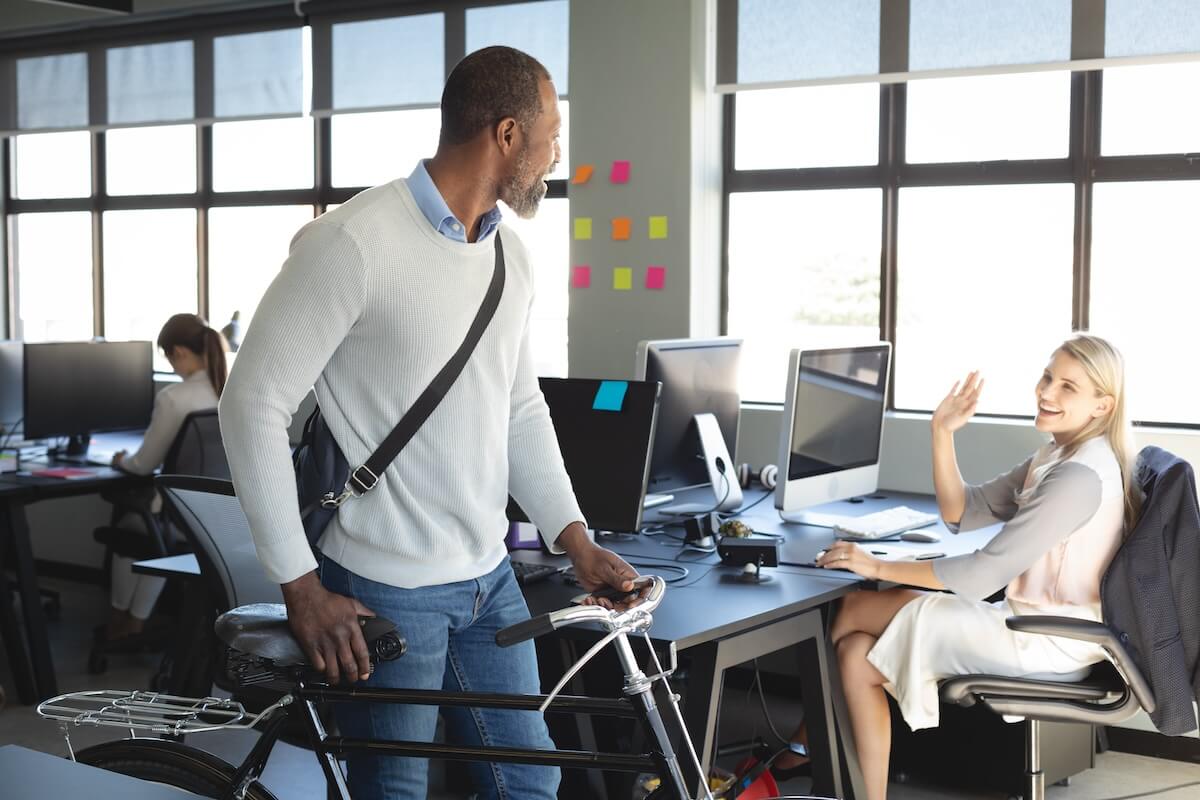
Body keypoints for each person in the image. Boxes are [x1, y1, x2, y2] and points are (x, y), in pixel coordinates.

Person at [219, 46, 640, 800]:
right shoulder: (353, 243)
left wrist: (574, 539)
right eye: (552, 134)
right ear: (507, 135)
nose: (557, 155)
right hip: (386, 585)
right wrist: (300, 587)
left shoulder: (511, 258)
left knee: (530, 786)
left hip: (490, 579)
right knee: (396, 792)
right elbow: (251, 402)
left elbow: (519, 408)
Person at [776, 333, 1141, 800]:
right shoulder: (1056, 454)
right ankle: (849, 783)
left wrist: (879, 566)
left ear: (1102, 406)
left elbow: (981, 575)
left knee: (850, 611)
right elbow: (961, 513)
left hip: (1047, 641)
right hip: (1024, 625)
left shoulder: (1079, 476)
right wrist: (942, 432)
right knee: (854, 655)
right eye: (1048, 377)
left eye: (1068, 387)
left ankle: (801, 747)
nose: (1047, 392)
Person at [105, 313, 229, 640]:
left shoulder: (174, 398)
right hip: (218, 516)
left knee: (130, 528)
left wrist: (121, 460)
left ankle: (126, 619)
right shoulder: (227, 392)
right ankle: (135, 618)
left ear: (180, 352)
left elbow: (144, 464)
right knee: (153, 533)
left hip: (175, 515)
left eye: (169, 358)